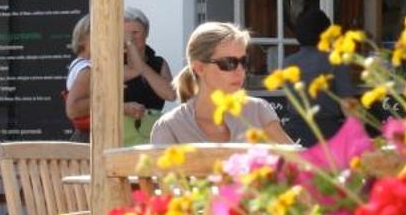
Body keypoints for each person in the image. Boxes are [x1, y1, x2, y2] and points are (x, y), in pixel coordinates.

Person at [149, 22, 294, 146]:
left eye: (243, 62)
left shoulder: (258, 111)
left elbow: (299, 165)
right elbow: (161, 178)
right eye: (229, 63)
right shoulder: (170, 127)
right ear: (199, 68)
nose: (240, 71)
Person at [65, 8, 177, 140]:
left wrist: (141, 62)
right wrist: (122, 107)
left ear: (146, 33)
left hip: (148, 135)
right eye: (123, 33)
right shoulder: (107, 63)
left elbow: (171, 94)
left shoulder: (157, 62)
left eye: (135, 32)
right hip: (109, 136)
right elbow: (74, 107)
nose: (129, 38)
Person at [279, 5, 358, 146]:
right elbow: (348, 104)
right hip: (327, 132)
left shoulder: (288, 62)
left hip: (294, 131)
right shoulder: (335, 61)